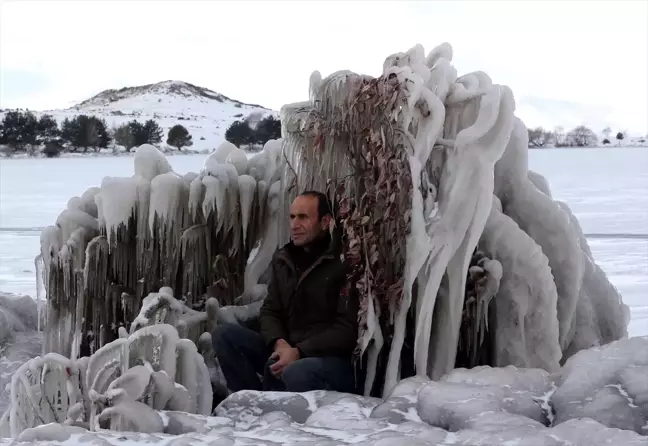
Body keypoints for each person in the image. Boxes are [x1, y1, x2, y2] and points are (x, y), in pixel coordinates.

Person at [212, 191, 359, 395]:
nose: (294, 225)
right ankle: (249, 403)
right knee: (225, 336)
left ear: (325, 222)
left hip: (328, 360)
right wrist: (279, 343)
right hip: (287, 349)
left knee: (295, 372)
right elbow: (270, 310)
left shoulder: (343, 263)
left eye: (303, 217)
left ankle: (283, 408)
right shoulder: (285, 260)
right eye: (292, 217)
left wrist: (299, 352)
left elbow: (346, 330)